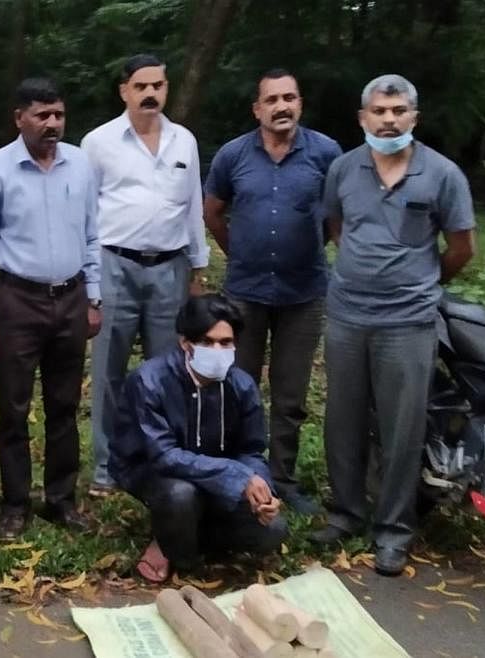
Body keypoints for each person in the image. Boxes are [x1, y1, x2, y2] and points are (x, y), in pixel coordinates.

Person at [313, 74, 476, 576]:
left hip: (407, 321)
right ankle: (345, 512)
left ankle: (394, 531)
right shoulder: (343, 168)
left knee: (401, 428)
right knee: (342, 419)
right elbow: (338, 229)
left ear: (413, 117)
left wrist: (418, 284)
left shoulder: (442, 174)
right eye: (379, 111)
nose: (388, 119)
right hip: (347, 315)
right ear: (363, 118)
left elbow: (461, 248)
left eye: (398, 110)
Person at [0, 77, 102, 541]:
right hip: (17, 302)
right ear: (19, 117)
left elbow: (91, 235)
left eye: (58, 115)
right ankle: (15, 504)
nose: (52, 124)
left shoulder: (81, 164)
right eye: (42, 115)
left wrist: (94, 297)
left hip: (71, 296)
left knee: (64, 406)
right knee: (14, 408)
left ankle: (61, 499)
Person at [203, 69, 342, 515]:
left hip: (303, 294)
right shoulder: (232, 155)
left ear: (300, 103)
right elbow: (213, 213)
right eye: (272, 99)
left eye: (290, 98)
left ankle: (281, 478)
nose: (281, 106)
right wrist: (242, 252)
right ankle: (237, 475)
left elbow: (336, 220)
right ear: (257, 108)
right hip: (244, 294)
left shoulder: (326, 154)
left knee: (289, 394)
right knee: (236, 386)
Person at [80, 54, 209, 499]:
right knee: (109, 371)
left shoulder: (183, 141)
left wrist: (198, 267)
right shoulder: (98, 142)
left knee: (168, 371)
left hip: (169, 268)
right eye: (141, 86)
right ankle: (106, 467)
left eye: (158, 85)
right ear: (124, 91)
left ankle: (163, 461)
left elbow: (192, 204)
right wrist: (89, 280)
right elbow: (85, 210)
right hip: (114, 264)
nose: (150, 93)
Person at [110, 294, 288, 583]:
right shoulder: (149, 381)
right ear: (185, 343)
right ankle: (182, 555)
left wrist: (262, 491)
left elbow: (252, 449)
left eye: (225, 342)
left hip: (217, 475)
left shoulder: (241, 385)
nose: (217, 349)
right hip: (153, 472)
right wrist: (237, 476)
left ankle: (175, 533)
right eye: (207, 341)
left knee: (273, 530)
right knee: (181, 495)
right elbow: (164, 455)